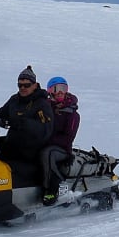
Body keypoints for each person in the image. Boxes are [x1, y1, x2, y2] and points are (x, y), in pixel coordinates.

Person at [0, 65, 53, 163]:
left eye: (27, 85)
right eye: (20, 85)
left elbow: (45, 129)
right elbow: (1, 112)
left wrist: (21, 123)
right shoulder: (15, 100)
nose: (23, 88)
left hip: (29, 152)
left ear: (35, 85)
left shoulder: (42, 104)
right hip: (11, 146)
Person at [39, 76, 80, 206]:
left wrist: (46, 140)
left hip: (62, 149)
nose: (60, 92)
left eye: (63, 88)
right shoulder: (45, 108)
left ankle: (52, 189)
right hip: (43, 143)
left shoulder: (72, 113)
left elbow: (68, 138)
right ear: (50, 91)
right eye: (56, 89)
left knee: (47, 153)